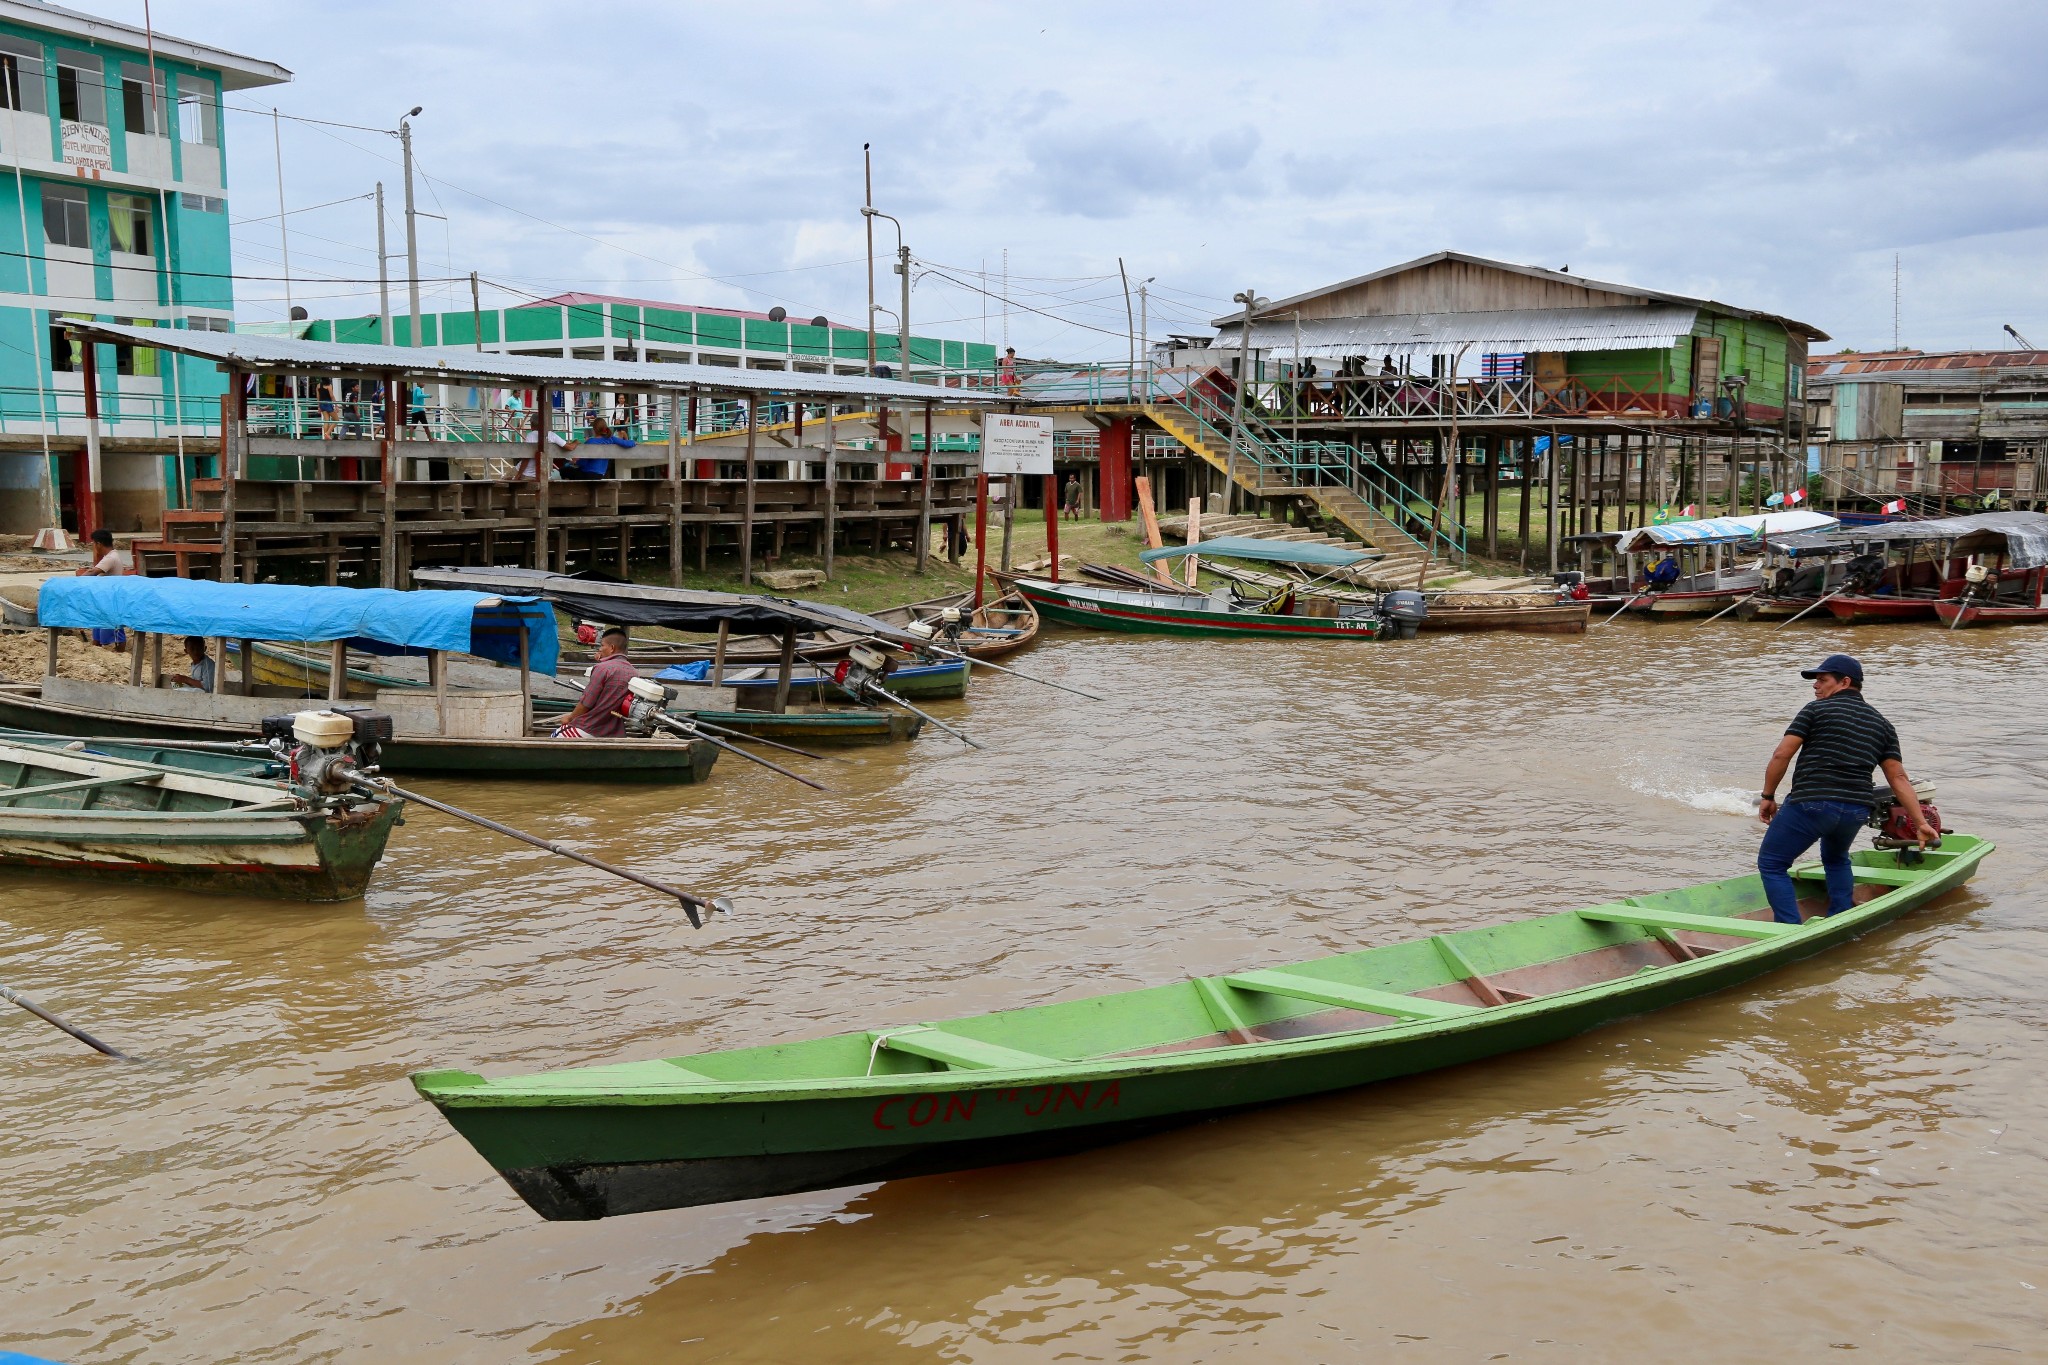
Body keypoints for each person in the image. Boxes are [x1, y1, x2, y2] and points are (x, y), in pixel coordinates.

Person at [1756, 654, 1937, 925]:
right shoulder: (1882, 724)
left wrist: (1768, 796)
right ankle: (1840, 917)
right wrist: (1921, 822)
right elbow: (1898, 777)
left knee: (1772, 863)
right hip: (1855, 809)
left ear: (1845, 682)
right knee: (1837, 858)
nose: (1815, 686)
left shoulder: (1815, 710)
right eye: (1815, 680)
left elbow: (1782, 754)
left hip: (1813, 803)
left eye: (1822, 679)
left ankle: (1788, 929)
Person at [553, 627, 634, 738]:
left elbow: (587, 701)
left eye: (602, 645)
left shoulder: (602, 668)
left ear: (612, 648)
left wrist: (570, 718)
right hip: (615, 732)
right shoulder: (633, 672)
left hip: (591, 728)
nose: (600, 649)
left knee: (555, 736)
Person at [74, 527, 133, 649]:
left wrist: (75, 583)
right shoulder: (110, 557)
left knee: (112, 635)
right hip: (102, 602)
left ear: (99, 544)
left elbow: (92, 573)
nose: (94, 547)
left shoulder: (110, 558)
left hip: (110, 603)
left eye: (94, 544)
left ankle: (120, 656)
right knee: (98, 636)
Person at [514, 411, 578, 479]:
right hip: (542, 474)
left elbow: (526, 458)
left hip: (525, 473)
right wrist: (576, 442)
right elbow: (570, 447)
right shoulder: (551, 435)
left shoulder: (531, 435)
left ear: (532, 424)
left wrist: (519, 474)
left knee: (505, 479)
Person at [567, 418, 636, 479]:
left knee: (564, 470)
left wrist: (576, 462)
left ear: (594, 429)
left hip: (588, 474)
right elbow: (627, 443)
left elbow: (584, 462)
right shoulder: (611, 439)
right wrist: (634, 442)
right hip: (600, 474)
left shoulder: (590, 441)